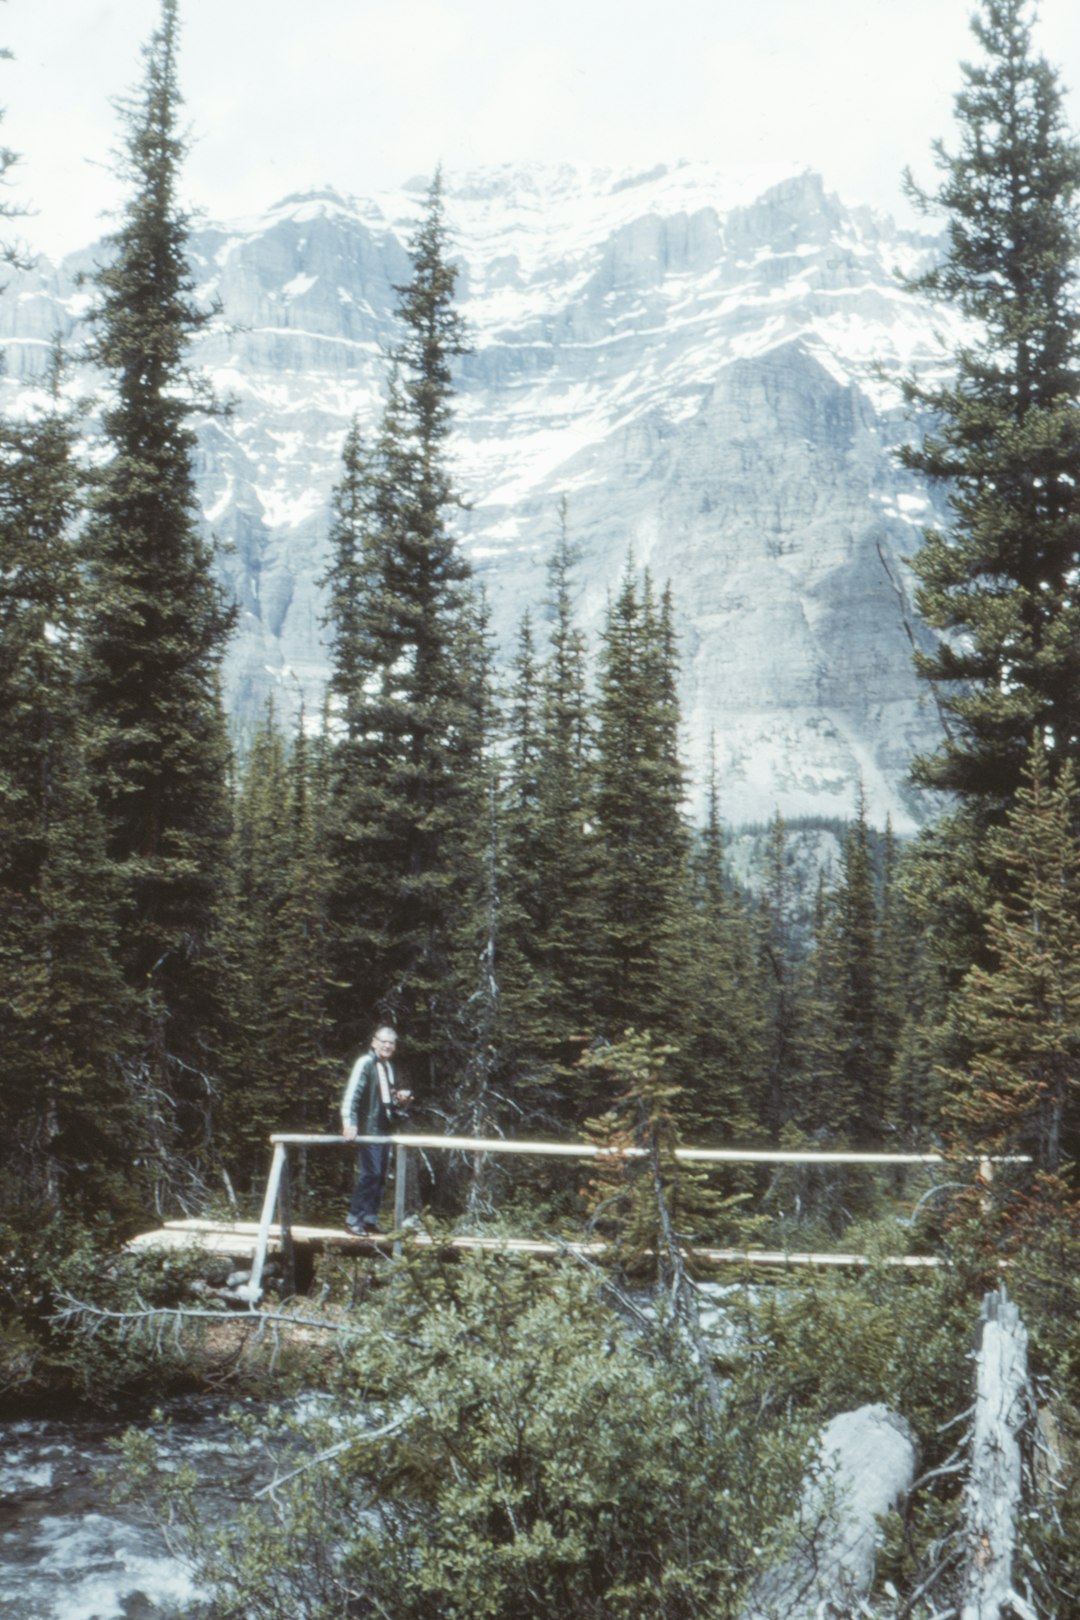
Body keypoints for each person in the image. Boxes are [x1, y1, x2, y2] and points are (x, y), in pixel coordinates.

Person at [340, 1025, 412, 1234]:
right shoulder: (365, 1063)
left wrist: (399, 1100)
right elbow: (352, 1093)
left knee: (380, 1175)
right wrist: (349, 1122)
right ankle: (354, 1220)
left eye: (391, 1043)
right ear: (374, 1042)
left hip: (384, 1128)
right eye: (384, 1041)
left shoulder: (387, 1066)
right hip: (368, 1128)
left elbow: (384, 1097)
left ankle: (370, 1219)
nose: (387, 1046)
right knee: (370, 1173)